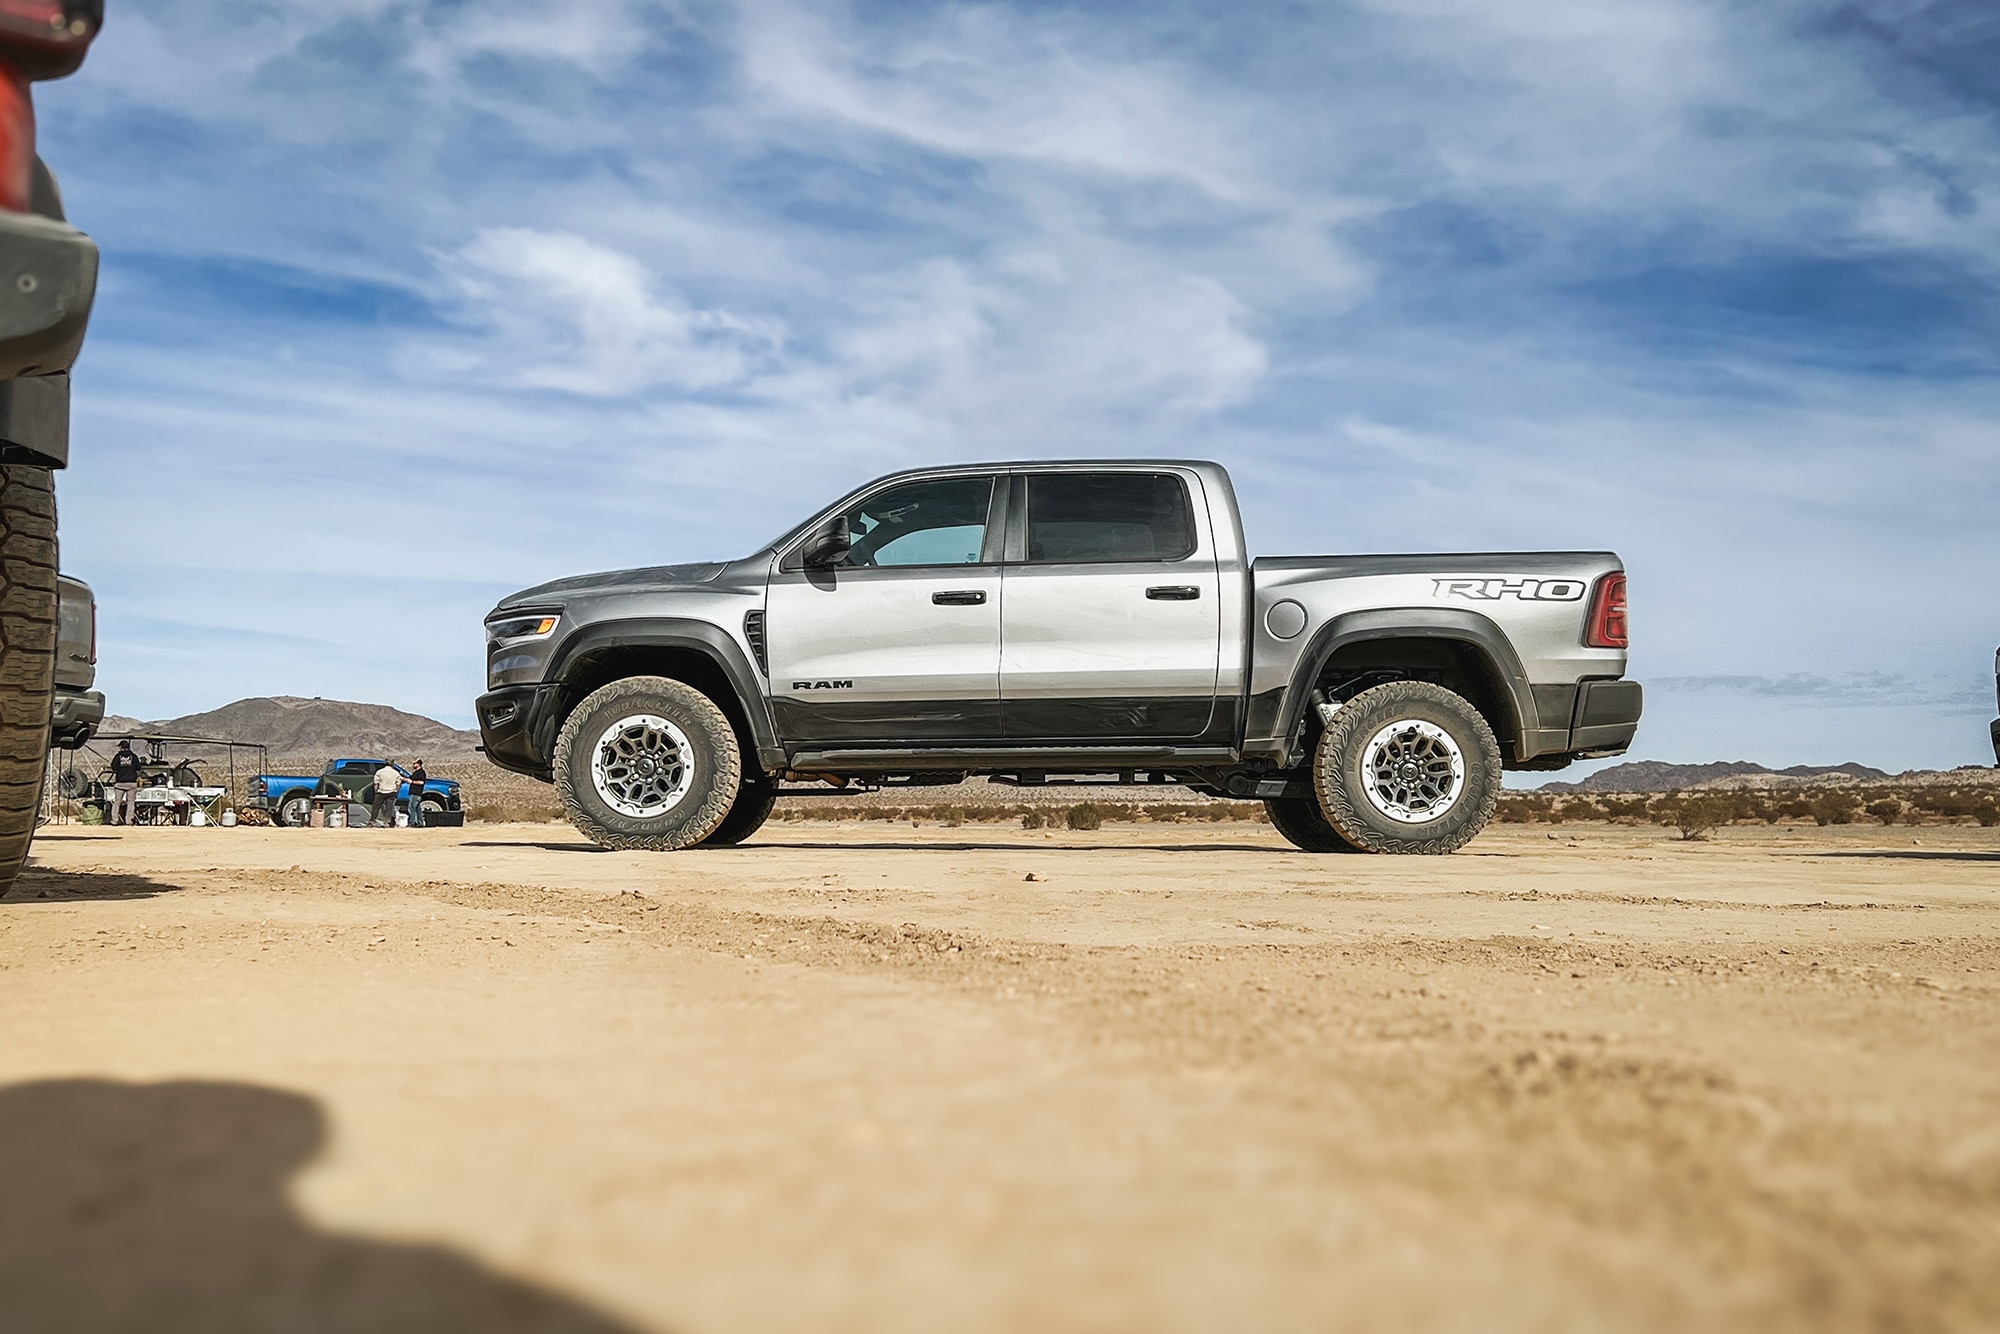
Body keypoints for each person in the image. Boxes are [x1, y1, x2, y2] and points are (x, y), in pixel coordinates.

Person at [107, 741, 142, 826]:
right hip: (132, 783)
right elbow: (139, 767)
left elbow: (113, 767)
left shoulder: (117, 756)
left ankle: (114, 820)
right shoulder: (134, 757)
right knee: (131, 802)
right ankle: (129, 820)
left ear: (121, 747)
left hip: (120, 783)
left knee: (117, 802)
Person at [371, 762, 401, 829]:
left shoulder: (379, 772)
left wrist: (376, 791)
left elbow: (376, 782)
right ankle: (387, 822)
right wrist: (396, 790)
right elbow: (398, 784)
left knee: (376, 807)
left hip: (381, 791)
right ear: (392, 764)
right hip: (391, 792)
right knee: (389, 808)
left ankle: (372, 821)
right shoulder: (396, 773)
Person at [406, 759, 427, 828]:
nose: (413, 765)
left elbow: (421, 782)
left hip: (416, 793)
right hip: (414, 792)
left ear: (419, 764)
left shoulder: (421, 773)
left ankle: (411, 823)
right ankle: (420, 822)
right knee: (418, 809)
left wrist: (412, 782)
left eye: (414, 763)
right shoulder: (415, 773)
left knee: (411, 807)